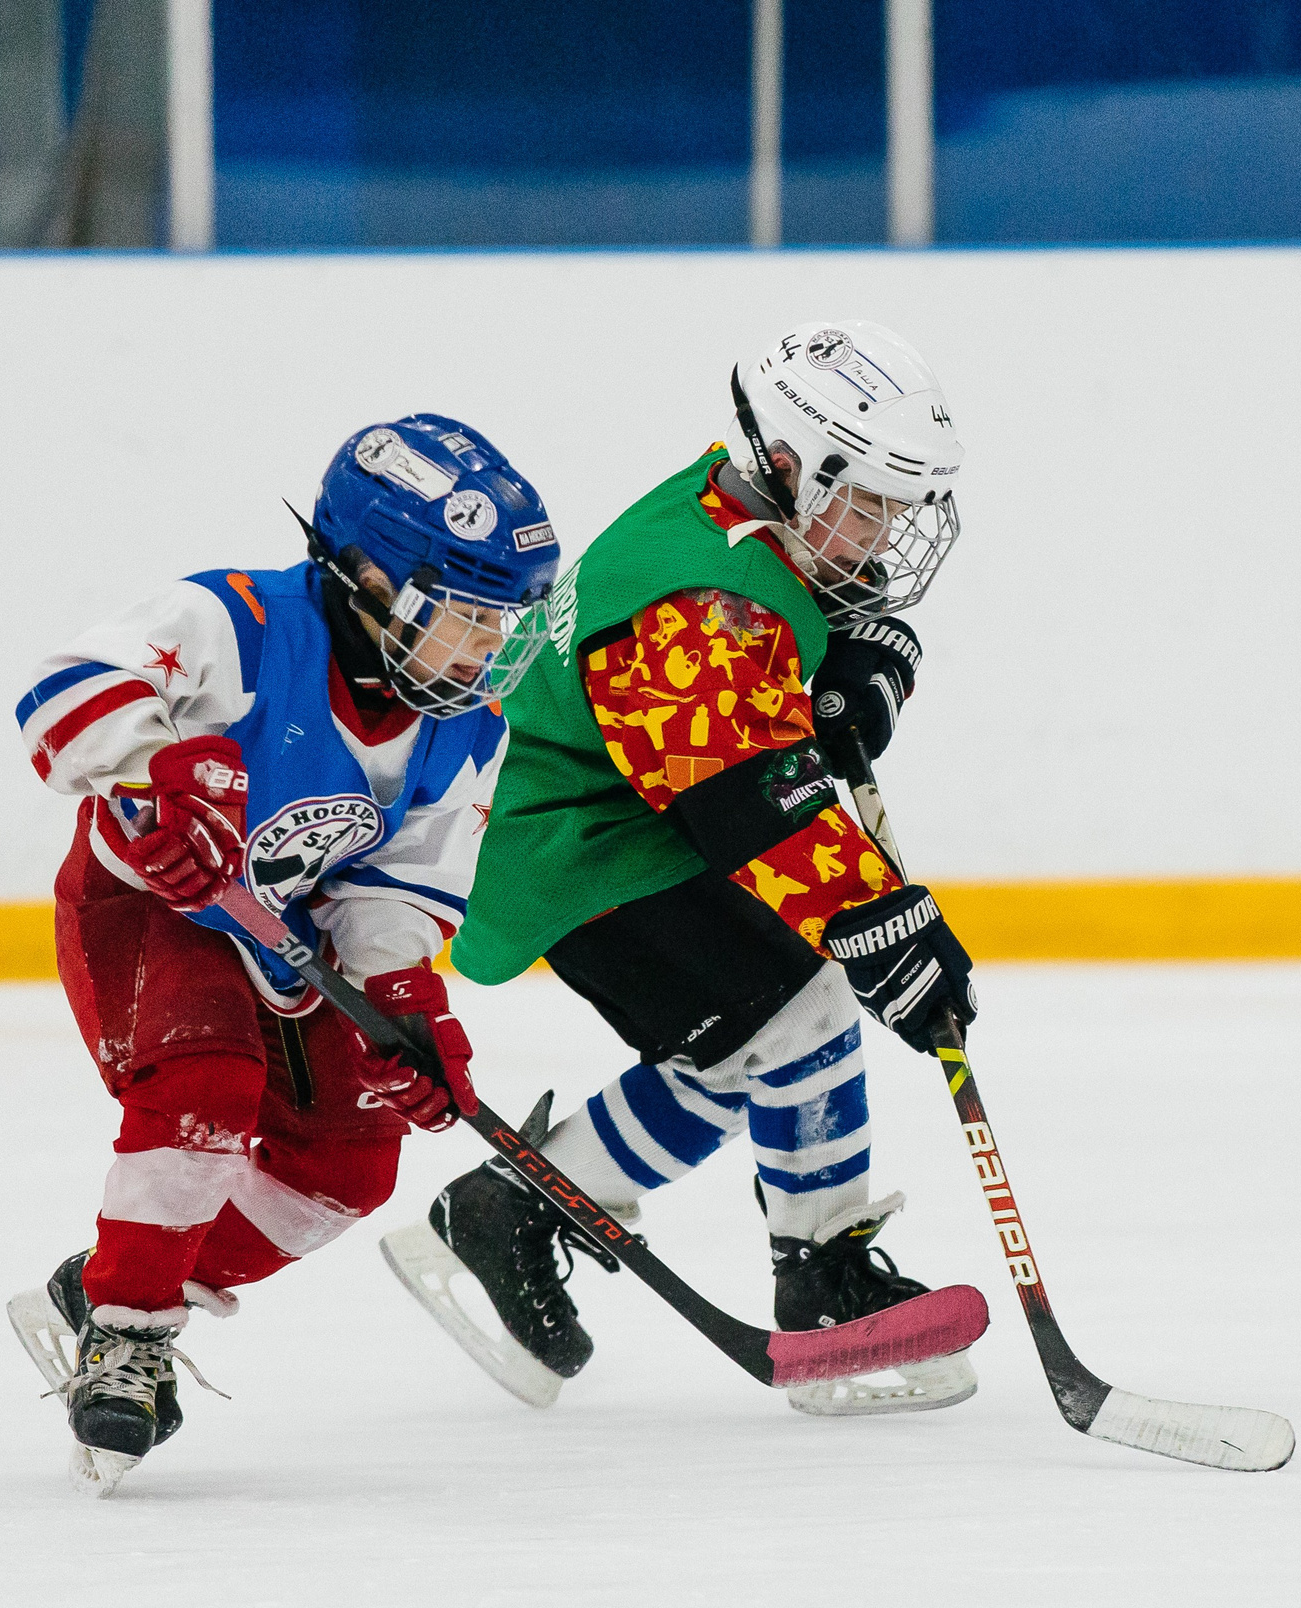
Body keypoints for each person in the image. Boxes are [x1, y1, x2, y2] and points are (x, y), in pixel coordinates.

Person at [383, 322, 981, 1415]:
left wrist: (848, 672)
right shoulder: (686, 613)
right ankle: (824, 1283)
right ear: (795, 464)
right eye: (873, 501)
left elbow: (770, 677)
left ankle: (515, 1208)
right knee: (795, 1012)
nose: (888, 532)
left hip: (627, 805)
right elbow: (760, 810)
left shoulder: (746, 503)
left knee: (735, 1039)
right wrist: (888, 929)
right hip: (565, 838)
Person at [6, 415, 560, 1493]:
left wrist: (403, 996)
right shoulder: (237, 623)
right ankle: (130, 1334)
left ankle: (114, 1282)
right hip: (146, 910)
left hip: (283, 937)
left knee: (349, 1164)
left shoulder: (464, 723)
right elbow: (58, 694)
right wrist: (155, 765)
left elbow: (399, 880)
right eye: (463, 619)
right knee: (209, 1081)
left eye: (503, 625)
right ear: (364, 579)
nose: (487, 651)